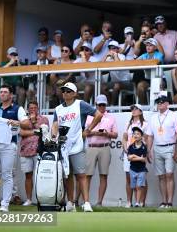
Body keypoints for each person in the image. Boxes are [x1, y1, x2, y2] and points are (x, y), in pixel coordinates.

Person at [53, 82, 103, 212]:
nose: (65, 93)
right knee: (67, 176)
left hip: (77, 145)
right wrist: (53, 136)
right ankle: (70, 203)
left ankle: (86, 203)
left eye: (68, 91)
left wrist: (88, 129)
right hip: (63, 146)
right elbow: (55, 125)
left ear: (74, 93)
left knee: (81, 175)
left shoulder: (80, 104)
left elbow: (98, 115)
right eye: (64, 91)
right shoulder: (58, 109)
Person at [0, 85, 31, 212]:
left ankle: (5, 205)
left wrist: (18, 122)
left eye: (5, 92)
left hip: (9, 145)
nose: (2, 94)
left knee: (7, 175)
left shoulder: (17, 108)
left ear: (11, 95)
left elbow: (27, 123)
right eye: (1, 92)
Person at [84, 95, 117, 207]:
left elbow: (115, 134)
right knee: (87, 175)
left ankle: (99, 202)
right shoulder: (89, 117)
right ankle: (86, 201)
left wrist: (106, 134)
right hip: (91, 146)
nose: (102, 107)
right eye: (100, 105)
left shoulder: (111, 117)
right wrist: (94, 132)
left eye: (104, 105)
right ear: (96, 104)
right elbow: (84, 133)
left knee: (103, 175)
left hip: (105, 146)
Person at [148, 95, 177, 208]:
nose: (159, 104)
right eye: (158, 102)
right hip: (157, 147)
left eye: (162, 102)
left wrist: (176, 150)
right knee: (161, 176)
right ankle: (163, 201)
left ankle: (170, 202)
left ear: (167, 104)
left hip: (170, 147)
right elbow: (150, 136)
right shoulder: (153, 117)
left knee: (169, 174)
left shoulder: (173, 116)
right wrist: (148, 150)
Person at [19, 100, 49, 206]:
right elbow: (21, 132)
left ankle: (41, 199)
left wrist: (34, 122)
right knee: (28, 176)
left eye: (34, 108)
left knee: (41, 176)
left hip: (39, 151)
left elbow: (43, 131)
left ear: (38, 108)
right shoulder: (23, 120)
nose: (33, 110)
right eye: (31, 108)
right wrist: (35, 131)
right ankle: (29, 199)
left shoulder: (44, 119)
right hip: (25, 151)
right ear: (28, 110)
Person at [122, 104, 150, 208]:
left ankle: (142, 202)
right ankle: (129, 201)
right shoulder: (128, 123)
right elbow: (124, 138)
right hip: (129, 153)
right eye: (132, 109)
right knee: (129, 177)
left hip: (140, 153)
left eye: (136, 109)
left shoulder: (145, 124)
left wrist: (146, 152)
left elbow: (146, 139)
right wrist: (125, 148)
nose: (133, 110)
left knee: (142, 178)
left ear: (141, 112)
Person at [127, 126, 148, 208]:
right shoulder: (131, 146)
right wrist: (138, 157)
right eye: (134, 134)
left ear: (141, 136)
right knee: (134, 187)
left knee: (139, 186)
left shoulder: (144, 146)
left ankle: (137, 203)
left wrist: (134, 156)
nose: (136, 135)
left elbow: (144, 160)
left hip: (141, 170)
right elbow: (129, 158)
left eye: (138, 134)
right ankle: (137, 201)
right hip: (132, 169)